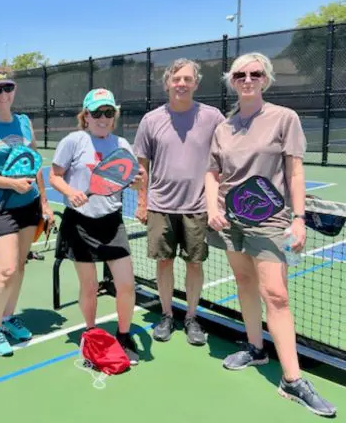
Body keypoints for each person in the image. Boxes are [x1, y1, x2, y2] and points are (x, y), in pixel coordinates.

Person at [205, 52, 336, 417]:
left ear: (265, 79)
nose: (247, 79)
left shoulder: (283, 118)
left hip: (270, 221)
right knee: (244, 282)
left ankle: (292, 380)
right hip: (230, 220)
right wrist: (213, 207)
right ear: (232, 80)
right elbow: (212, 173)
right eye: (240, 74)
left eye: (255, 73)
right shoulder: (223, 127)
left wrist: (298, 218)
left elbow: (294, 172)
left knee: (276, 295)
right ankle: (256, 349)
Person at [132, 59, 225, 346]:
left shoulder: (213, 117)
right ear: (168, 83)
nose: (181, 84)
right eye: (176, 79)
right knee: (164, 262)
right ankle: (167, 315)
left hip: (197, 207)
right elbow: (142, 166)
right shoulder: (151, 120)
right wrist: (142, 202)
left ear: (196, 83)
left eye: (187, 79)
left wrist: (217, 202)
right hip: (160, 205)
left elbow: (226, 157)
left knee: (194, 264)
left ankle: (192, 318)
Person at [49, 88, 144, 364]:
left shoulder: (121, 145)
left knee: (126, 285)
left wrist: (139, 183)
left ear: (114, 116)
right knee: (88, 286)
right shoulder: (73, 141)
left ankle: (124, 336)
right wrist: (69, 191)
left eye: (109, 112)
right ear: (86, 116)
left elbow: (133, 178)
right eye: (97, 113)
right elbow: (55, 176)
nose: (103, 118)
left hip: (111, 223)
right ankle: (91, 333)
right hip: (78, 223)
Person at [0, 66, 54, 356]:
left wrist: (43, 201)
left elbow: (33, 162)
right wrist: (10, 183)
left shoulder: (26, 123)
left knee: (19, 267)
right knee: (5, 270)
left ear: (14, 90)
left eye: (8, 88)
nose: (3, 94)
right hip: (0, 208)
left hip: (29, 206)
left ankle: (8, 316)